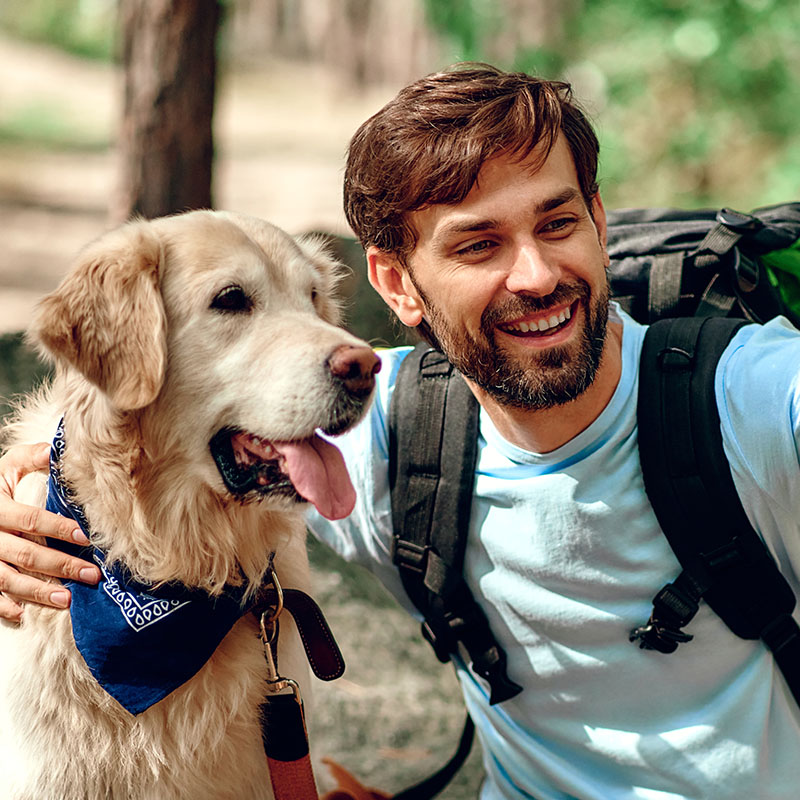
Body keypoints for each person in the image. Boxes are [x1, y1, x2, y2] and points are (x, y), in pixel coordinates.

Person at [1, 63, 798, 799]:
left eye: (557, 224)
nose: (536, 275)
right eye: (479, 244)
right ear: (398, 285)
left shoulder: (755, 398)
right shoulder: (394, 442)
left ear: (599, 220)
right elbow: (124, 449)